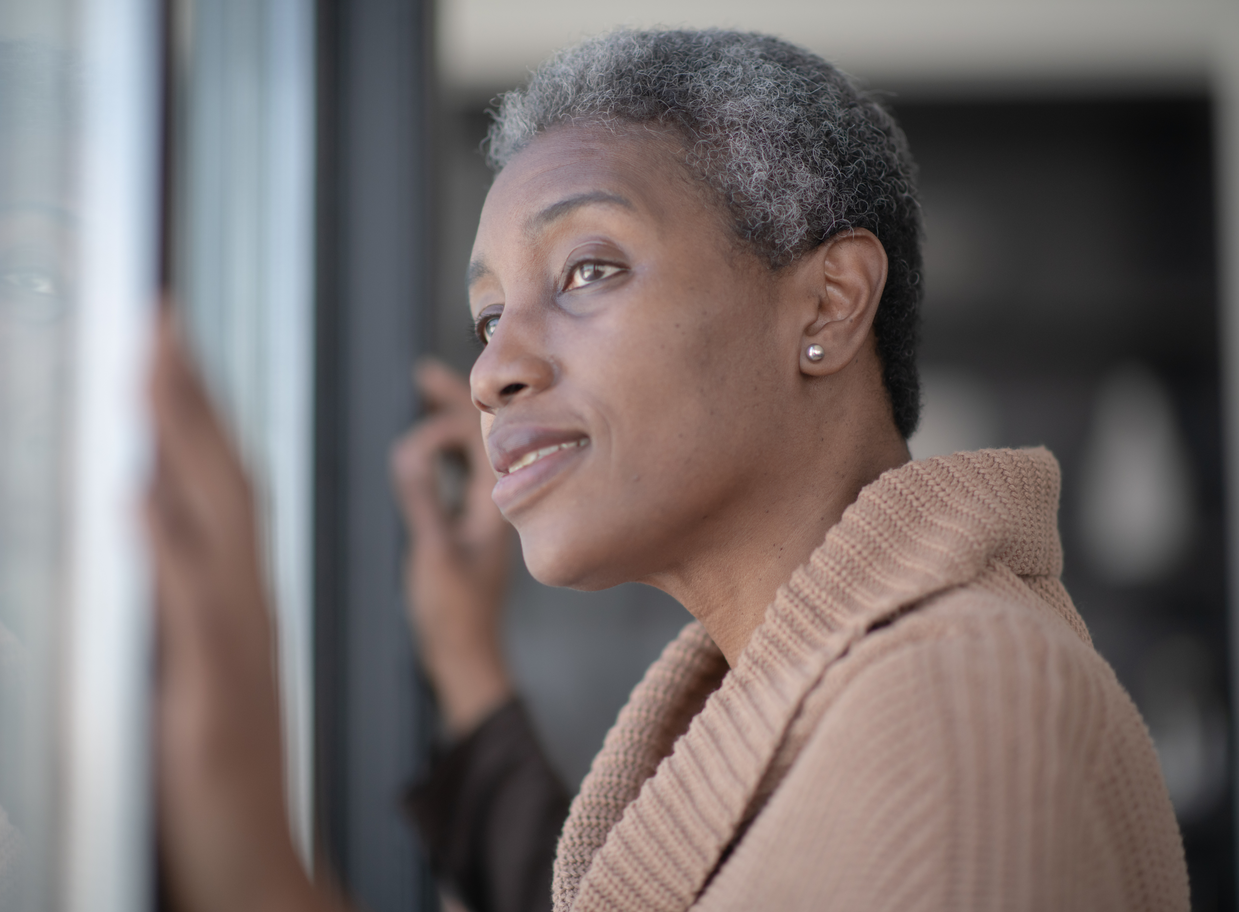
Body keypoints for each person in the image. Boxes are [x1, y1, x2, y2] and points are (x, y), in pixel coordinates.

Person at [149, 28, 1190, 912]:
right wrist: (464, 654)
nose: (493, 370)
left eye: (590, 270)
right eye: (488, 315)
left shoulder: (960, 719)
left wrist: (238, 810)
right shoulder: (822, 704)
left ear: (828, 306)